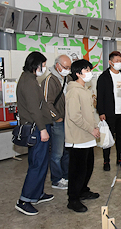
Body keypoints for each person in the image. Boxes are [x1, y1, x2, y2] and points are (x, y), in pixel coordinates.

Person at [15, 51, 54, 216]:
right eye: (43, 65)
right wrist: (43, 129)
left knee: (41, 162)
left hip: (39, 126)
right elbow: (33, 109)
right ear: (35, 64)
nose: (44, 68)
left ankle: (37, 193)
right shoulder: (29, 82)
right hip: (37, 128)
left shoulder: (30, 79)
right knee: (37, 164)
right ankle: (24, 199)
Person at [65, 59, 100, 213]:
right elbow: (74, 116)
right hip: (78, 137)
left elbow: (89, 112)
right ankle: (72, 199)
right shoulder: (73, 91)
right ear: (78, 73)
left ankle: (83, 191)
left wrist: (95, 127)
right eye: (86, 70)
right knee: (77, 171)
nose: (89, 73)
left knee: (88, 167)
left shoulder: (85, 89)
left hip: (88, 136)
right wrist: (90, 129)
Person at [96, 51, 121, 171]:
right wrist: (101, 112)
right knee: (108, 138)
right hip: (109, 113)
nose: (119, 63)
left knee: (120, 138)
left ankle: (120, 159)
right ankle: (106, 161)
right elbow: (100, 96)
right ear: (110, 62)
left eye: (120, 61)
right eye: (116, 61)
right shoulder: (104, 77)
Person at [41, 55, 72, 190]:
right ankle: (56, 179)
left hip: (68, 121)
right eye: (65, 67)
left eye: (69, 67)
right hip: (57, 122)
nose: (67, 70)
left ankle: (66, 176)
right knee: (57, 153)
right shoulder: (49, 80)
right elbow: (47, 103)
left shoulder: (69, 78)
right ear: (57, 65)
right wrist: (57, 117)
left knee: (67, 151)